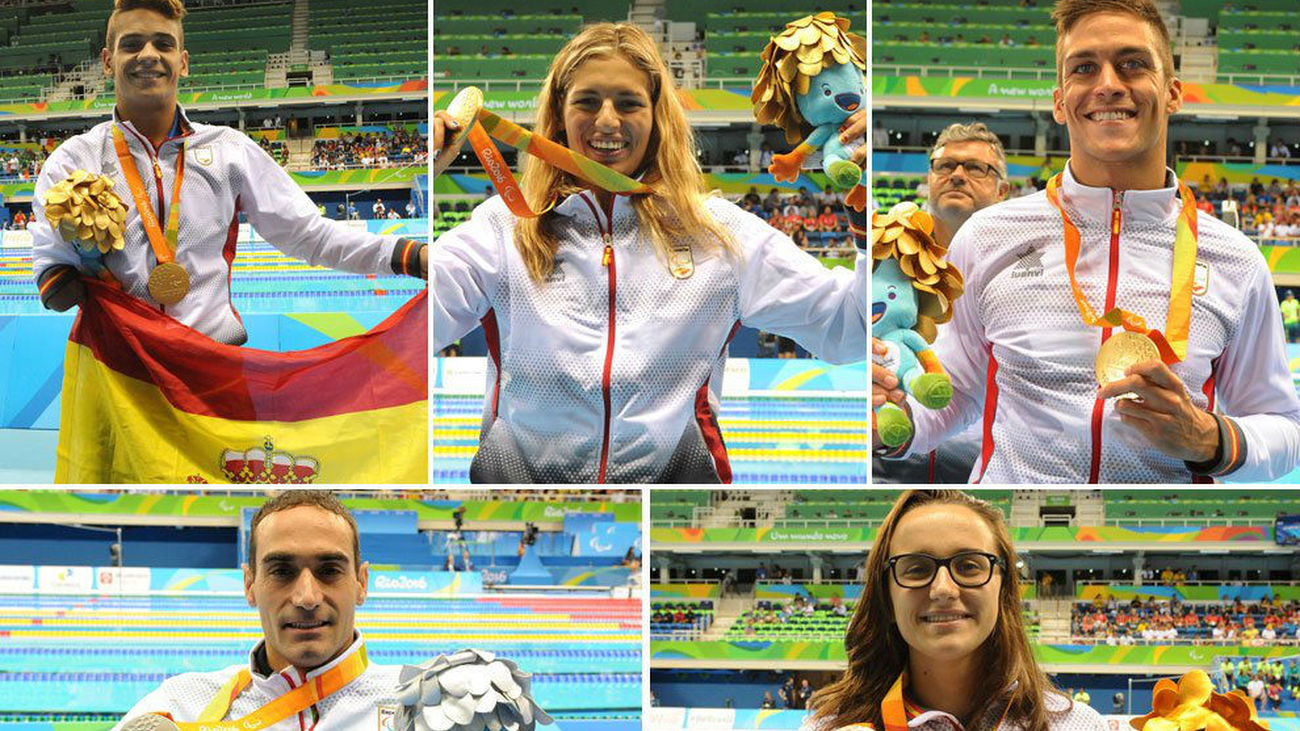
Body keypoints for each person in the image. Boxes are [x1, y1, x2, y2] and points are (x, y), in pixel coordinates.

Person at [873, 0, 1300, 482]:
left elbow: (1284, 426)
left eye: (1133, 64)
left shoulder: (1236, 261)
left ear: (1173, 91)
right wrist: (895, 419)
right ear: (1060, 101)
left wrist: (1208, 438)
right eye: (1084, 67)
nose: (1109, 84)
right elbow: (957, 396)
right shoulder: (988, 237)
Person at [431, 23, 866, 483]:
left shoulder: (719, 234)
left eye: (629, 103)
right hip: (519, 490)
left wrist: (864, 211)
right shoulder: (503, 228)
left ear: (657, 118)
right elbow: (420, 323)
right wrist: (423, 174)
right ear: (558, 116)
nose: (607, 121)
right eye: (586, 100)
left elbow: (848, 329)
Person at [30, 0, 426, 345]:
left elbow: (310, 235)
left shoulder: (229, 150)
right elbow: (55, 281)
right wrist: (78, 259)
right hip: (118, 371)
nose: (148, 54)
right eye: (131, 44)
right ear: (107, 61)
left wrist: (412, 255)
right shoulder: (72, 162)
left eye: (163, 44)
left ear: (182, 62)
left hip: (213, 369)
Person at [803, 490, 1105, 731]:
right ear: (888, 599)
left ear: (1004, 591)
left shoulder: (1079, 725)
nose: (943, 589)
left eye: (969, 565)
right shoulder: (829, 728)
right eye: (917, 569)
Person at [112, 491, 398, 729]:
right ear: (250, 585)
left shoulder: (417, 707)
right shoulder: (179, 707)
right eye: (282, 571)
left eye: (329, 570)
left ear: (362, 582)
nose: (307, 598)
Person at [873, 122, 1010, 485]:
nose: (958, 176)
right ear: (929, 178)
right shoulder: (883, 255)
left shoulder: (1021, 269)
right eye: (945, 166)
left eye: (976, 168)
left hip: (983, 462)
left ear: (1003, 192)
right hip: (890, 451)